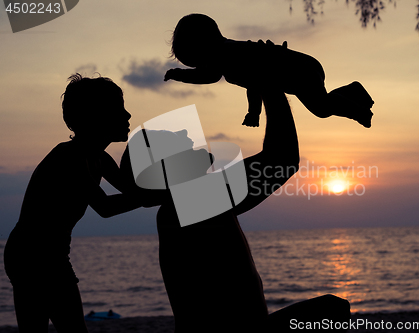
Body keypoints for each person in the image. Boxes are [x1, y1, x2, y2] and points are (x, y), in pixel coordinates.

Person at [121, 91, 350, 332]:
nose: (185, 134)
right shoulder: (193, 202)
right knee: (332, 309)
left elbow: (282, 160)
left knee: (331, 309)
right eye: (173, 140)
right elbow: (282, 158)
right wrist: (271, 86)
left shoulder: (185, 205)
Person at [3, 74, 157, 333]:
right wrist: (160, 194)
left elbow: (134, 190)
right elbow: (106, 207)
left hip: (48, 254)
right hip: (32, 255)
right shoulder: (70, 158)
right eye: (118, 108)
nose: (128, 115)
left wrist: (176, 178)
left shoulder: (100, 158)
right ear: (96, 117)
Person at [164, 13, 374, 128]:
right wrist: (253, 112)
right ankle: (352, 93)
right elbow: (253, 83)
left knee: (322, 108)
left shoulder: (230, 57)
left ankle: (358, 110)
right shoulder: (230, 55)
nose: (202, 66)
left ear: (202, 46)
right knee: (323, 104)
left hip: (299, 69)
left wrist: (179, 75)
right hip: (302, 66)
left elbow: (218, 78)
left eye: (197, 61)